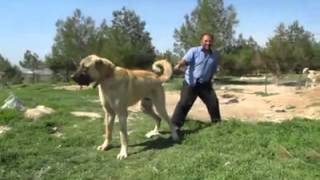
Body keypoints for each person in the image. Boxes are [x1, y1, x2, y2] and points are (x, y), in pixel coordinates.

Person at [172, 32, 221, 133]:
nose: (208, 43)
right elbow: (185, 60)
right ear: (201, 41)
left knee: (213, 102)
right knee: (184, 103)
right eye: (206, 41)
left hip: (205, 84)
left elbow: (213, 68)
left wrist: (211, 79)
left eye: (210, 41)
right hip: (191, 83)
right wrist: (179, 65)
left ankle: (217, 124)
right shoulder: (194, 51)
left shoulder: (215, 55)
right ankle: (175, 126)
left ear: (212, 42)